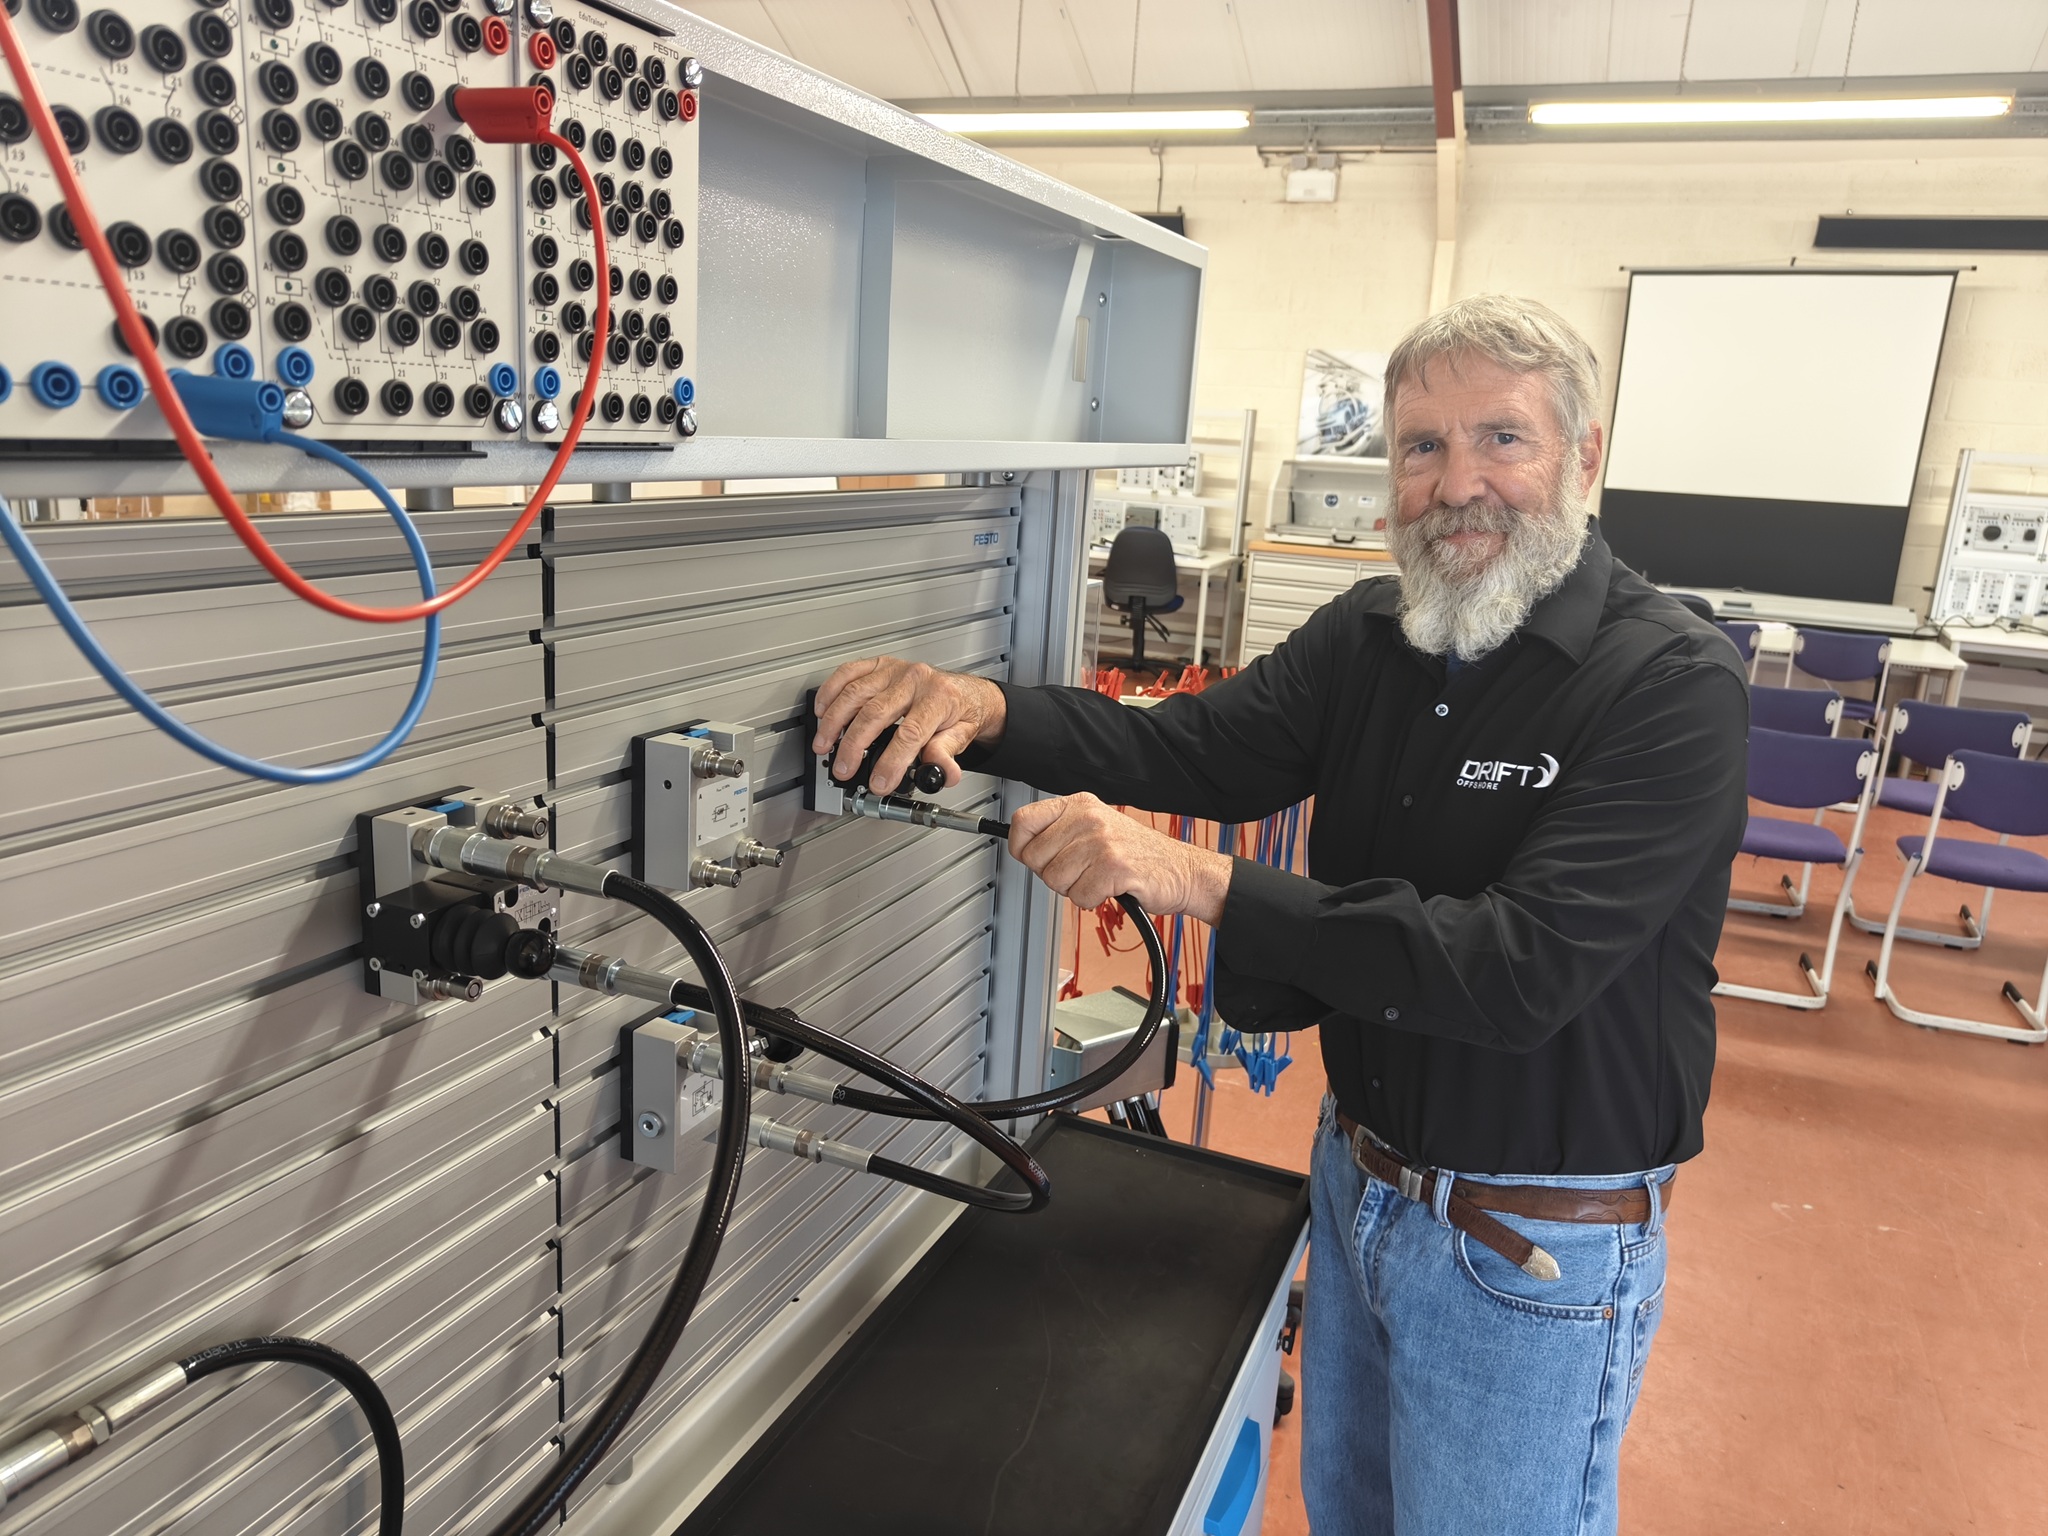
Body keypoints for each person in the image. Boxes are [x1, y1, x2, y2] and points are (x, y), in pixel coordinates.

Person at [810, 294, 1749, 1536]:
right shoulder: (1372, 638)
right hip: (1355, 1184)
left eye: (1500, 440)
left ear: (1582, 457)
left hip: (1528, 1251)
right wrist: (983, 711)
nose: (1457, 483)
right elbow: (1189, 750)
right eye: (1420, 447)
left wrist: (1183, 878)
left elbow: (1510, 973)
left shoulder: (1670, 685)